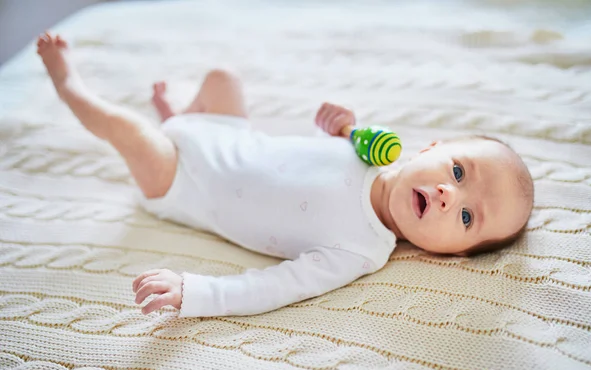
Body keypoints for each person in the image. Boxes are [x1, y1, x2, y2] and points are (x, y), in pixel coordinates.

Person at [37, 32, 534, 317]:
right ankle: (179, 118)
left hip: (184, 183)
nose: (450, 195)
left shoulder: (360, 250)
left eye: (468, 217)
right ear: (431, 147)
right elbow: (305, 166)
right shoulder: (369, 151)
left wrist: (196, 292)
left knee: (130, 131)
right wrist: (337, 126)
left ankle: (70, 86)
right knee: (223, 78)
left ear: (455, 254)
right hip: (228, 138)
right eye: (457, 170)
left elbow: (275, 287)